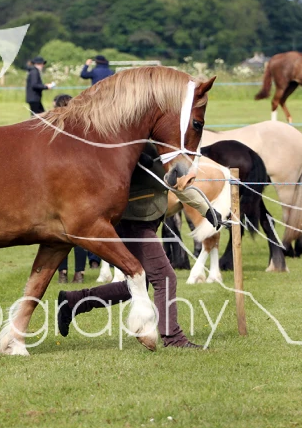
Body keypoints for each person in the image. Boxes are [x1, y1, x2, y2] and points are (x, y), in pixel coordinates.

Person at [57, 144, 225, 349]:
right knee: (165, 277)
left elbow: (179, 186)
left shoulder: (165, 153)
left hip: (146, 221)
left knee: (137, 284)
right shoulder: (135, 147)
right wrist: (136, 160)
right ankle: (173, 337)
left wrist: (208, 211)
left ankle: (73, 301)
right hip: (134, 222)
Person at [53, 93, 88, 284]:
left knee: (59, 233)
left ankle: (62, 272)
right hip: (79, 185)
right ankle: (79, 273)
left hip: (59, 185)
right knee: (80, 232)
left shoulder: (53, 129)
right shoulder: (81, 130)